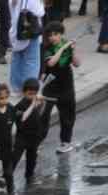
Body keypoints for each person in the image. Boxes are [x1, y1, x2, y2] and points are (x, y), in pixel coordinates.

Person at [41, 23, 79, 151]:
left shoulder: (68, 46)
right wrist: (62, 48)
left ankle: (65, 142)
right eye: (50, 35)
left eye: (56, 34)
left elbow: (77, 63)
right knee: (43, 116)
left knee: (68, 115)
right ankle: (36, 143)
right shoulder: (47, 48)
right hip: (50, 87)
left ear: (61, 34)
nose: (53, 37)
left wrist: (72, 50)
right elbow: (51, 63)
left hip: (66, 85)